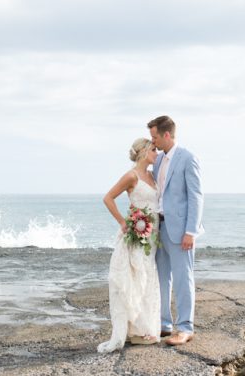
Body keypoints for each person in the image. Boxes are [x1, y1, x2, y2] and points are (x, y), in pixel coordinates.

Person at [97, 138, 162, 353]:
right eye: (153, 149)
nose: (157, 152)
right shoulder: (131, 175)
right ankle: (138, 330)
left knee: (147, 278)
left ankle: (141, 329)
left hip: (152, 236)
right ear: (143, 152)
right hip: (136, 235)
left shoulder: (152, 175)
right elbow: (108, 198)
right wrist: (123, 222)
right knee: (135, 278)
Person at [148, 115, 204, 346]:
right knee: (161, 278)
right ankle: (164, 324)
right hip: (159, 228)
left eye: (155, 137)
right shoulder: (159, 160)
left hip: (181, 230)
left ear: (167, 134)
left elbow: (196, 196)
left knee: (183, 278)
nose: (153, 142)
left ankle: (185, 328)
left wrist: (191, 231)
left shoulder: (187, 158)